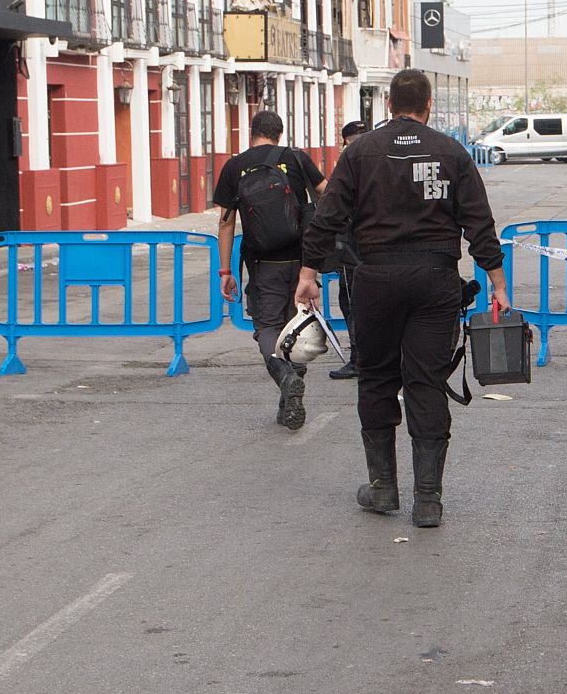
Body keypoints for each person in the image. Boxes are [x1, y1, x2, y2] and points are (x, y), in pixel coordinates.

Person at [296, 69, 509, 528]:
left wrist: (309, 274)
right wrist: (497, 282)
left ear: (389, 105)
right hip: (435, 281)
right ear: (428, 104)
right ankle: (428, 500)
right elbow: (479, 222)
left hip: (375, 280)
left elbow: (327, 217)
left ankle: (384, 488)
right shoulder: (452, 153)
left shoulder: (361, 153)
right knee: (426, 382)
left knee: (375, 377)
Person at [213, 110, 327, 430]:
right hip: (303, 264)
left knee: (267, 329)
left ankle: (285, 379)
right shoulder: (296, 159)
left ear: (252, 133)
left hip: (264, 265)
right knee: (299, 329)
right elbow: (327, 193)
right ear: (279, 133)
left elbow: (225, 223)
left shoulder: (235, 167)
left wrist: (226, 271)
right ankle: (290, 395)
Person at [327, 121, 367, 380]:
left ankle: (359, 360)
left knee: (353, 303)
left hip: (354, 246)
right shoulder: (380, 158)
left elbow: (334, 204)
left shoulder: (348, 163)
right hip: (376, 245)